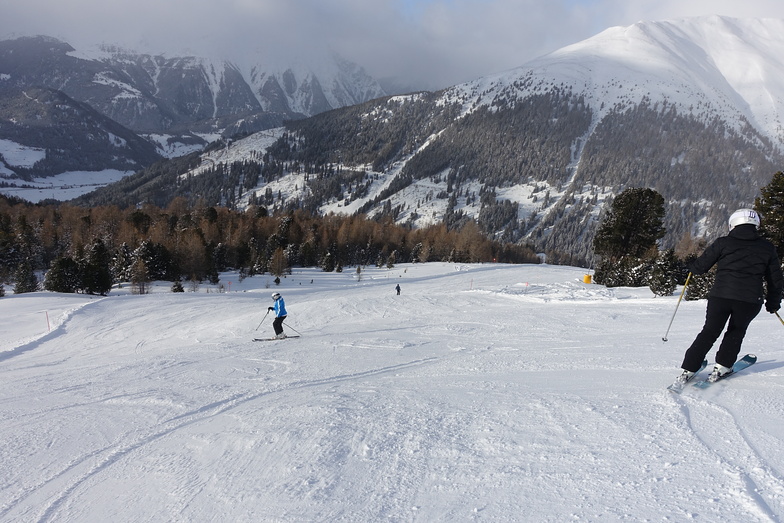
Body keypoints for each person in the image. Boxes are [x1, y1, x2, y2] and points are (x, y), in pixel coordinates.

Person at [675, 208, 782, 384]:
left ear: (733, 224)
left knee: (709, 331)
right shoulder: (767, 247)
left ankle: (689, 367)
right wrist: (773, 303)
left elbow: (700, 267)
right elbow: (775, 279)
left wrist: (691, 266)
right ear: (756, 225)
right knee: (736, 331)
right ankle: (723, 366)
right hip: (749, 300)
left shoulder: (723, 242)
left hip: (720, 297)